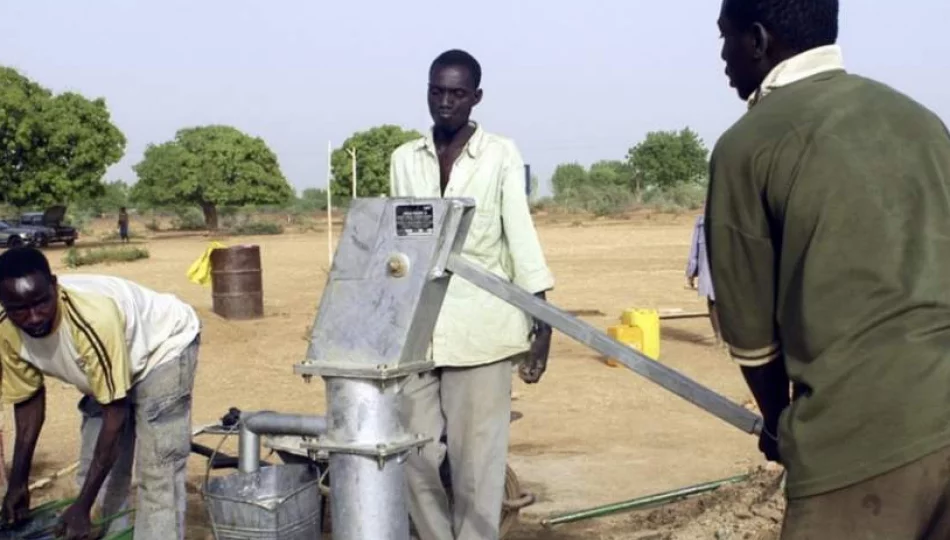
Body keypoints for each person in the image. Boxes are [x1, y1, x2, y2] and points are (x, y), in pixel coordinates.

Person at [707, 0, 950, 537]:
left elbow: (749, 333)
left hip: (859, 437)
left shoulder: (746, 145)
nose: (721, 55)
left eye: (723, 37)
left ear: (757, 39)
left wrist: (777, 424)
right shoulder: (921, 121)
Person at [389, 49, 555, 540]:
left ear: (475, 98)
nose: (445, 102)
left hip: (482, 331)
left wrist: (541, 323)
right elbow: (397, 249)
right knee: (412, 454)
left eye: (456, 93)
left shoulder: (500, 155)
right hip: (416, 333)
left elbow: (521, 240)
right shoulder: (404, 159)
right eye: (436, 91)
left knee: (476, 465)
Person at [0, 247, 201, 539]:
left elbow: (115, 417)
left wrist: (82, 507)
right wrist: (17, 482)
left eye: (41, 303)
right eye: (19, 308)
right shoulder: (5, 329)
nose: (32, 318)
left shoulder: (91, 319)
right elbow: (28, 399)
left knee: (158, 473)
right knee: (91, 481)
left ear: (55, 286)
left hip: (162, 349)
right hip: (104, 370)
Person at [685, 214, 720, 344]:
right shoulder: (702, 221)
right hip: (710, 270)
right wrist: (691, 271)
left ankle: (726, 338)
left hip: (730, 269)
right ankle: (720, 338)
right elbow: (695, 248)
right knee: (713, 300)